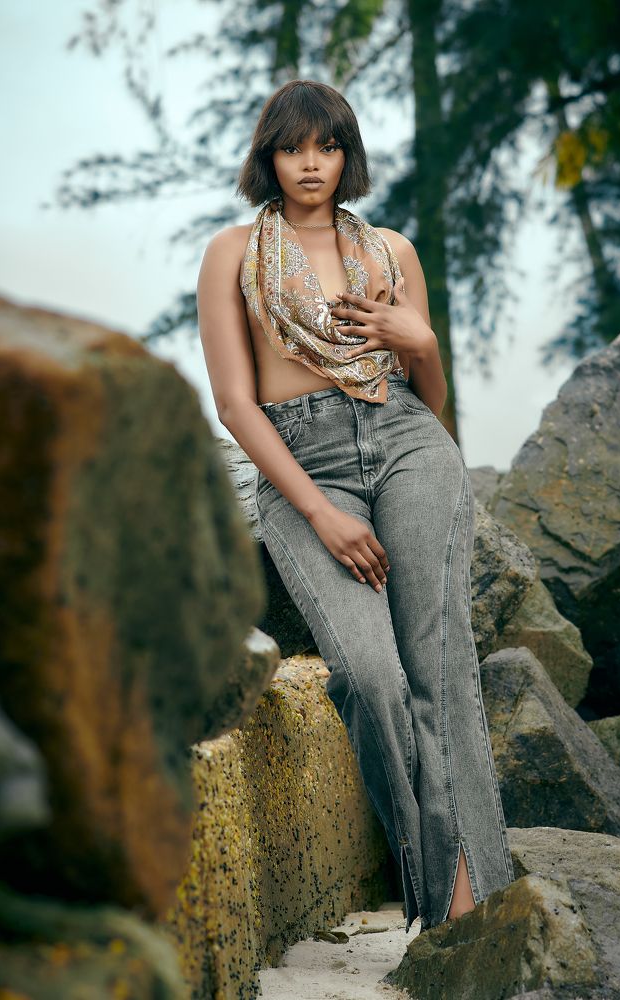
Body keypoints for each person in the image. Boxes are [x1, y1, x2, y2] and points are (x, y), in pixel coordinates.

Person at [197, 78, 515, 934]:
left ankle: (464, 909)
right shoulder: (233, 253)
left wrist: (424, 342)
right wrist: (322, 514)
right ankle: (427, 878)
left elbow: (430, 401)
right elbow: (234, 403)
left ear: (348, 155)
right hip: (305, 464)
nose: (312, 164)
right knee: (371, 675)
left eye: (329, 146)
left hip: (407, 441)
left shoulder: (392, 251)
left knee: (438, 670)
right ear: (268, 155)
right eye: (295, 147)